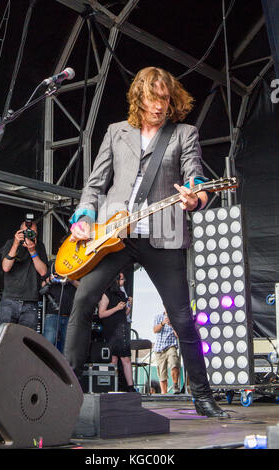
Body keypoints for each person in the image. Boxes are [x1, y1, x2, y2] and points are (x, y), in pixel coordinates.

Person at [64, 66, 229, 418]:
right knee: (82, 299)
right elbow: (95, 185)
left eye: (165, 99)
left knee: (182, 318)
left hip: (163, 234)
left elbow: (194, 175)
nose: (159, 106)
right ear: (139, 97)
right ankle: (69, 393)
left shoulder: (184, 133)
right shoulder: (115, 132)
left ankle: (202, 396)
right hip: (114, 235)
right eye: (153, 99)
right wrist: (83, 218)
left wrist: (195, 198)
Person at [0, 217, 48, 330]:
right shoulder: (11, 243)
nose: (29, 234)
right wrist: (16, 244)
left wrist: (33, 252)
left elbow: (43, 272)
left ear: (37, 233)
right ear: (20, 232)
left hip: (30, 302)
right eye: (26, 231)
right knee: (4, 338)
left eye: (32, 232)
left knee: (27, 340)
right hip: (10, 300)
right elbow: (6, 268)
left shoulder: (40, 246)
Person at [98, 272, 135, 392]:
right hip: (111, 330)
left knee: (126, 358)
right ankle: (112, 386)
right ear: (116, 280)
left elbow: (122, 315)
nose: (123, 281)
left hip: (122, 329)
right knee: (113, 359)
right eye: (122, 279)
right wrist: (116, 308)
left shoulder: (122, 294)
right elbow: (101, 314)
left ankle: (130, 387)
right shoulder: (106, 294)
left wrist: (128, 308)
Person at [42, 269, 79, 353]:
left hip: (70, 315)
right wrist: (51, 279)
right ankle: (45, 366)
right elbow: (42, 286)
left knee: (68, 349)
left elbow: (83, 287)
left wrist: (71, 279)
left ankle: (64, 366)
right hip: (53, 313)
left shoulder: (77, 267)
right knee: (47, 346)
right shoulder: (52, 266)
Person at [153, 309, 181, 394]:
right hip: (159, 348)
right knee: (162, 373)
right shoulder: (158, 317)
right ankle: (164, 393)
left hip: (171, 346)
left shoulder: (176, 317)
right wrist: (162, 323)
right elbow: (155, 330)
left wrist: (172, 325)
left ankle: (175, 386)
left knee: (174, 363)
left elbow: (178, 335)